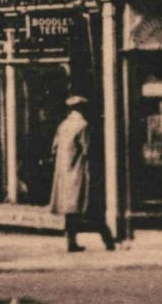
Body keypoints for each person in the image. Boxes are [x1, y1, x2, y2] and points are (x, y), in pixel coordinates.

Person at [50, 95, 116, 253]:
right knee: (91, 206)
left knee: (70, 210)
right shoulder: (83, 126)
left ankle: (71, 242)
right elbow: (87, 150)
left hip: (64, 175)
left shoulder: (63, 125)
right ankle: (108, 240)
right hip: (79, 172)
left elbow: (54, 148)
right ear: (81, 109)